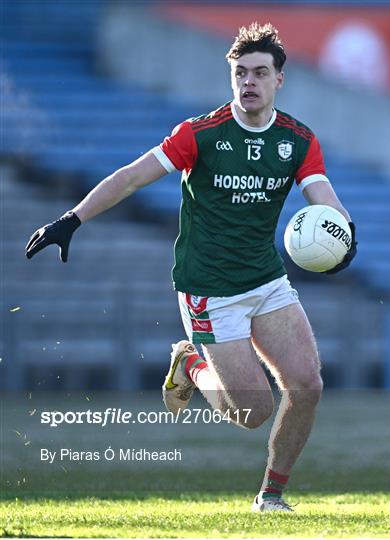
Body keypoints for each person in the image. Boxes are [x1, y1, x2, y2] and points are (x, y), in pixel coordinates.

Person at [25, 22, 357, 512]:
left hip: (265, 280)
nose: (248, 82)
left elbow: (322, 197)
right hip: (208, 289)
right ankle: (193, 363)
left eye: (259, 73)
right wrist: (72, 219)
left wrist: (346, 232)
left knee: (307, 385)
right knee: (254, 412)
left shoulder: (298, 140)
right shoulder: (200, 135)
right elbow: (133, 176)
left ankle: (271, 497)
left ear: (279, 80)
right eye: (240, 73)